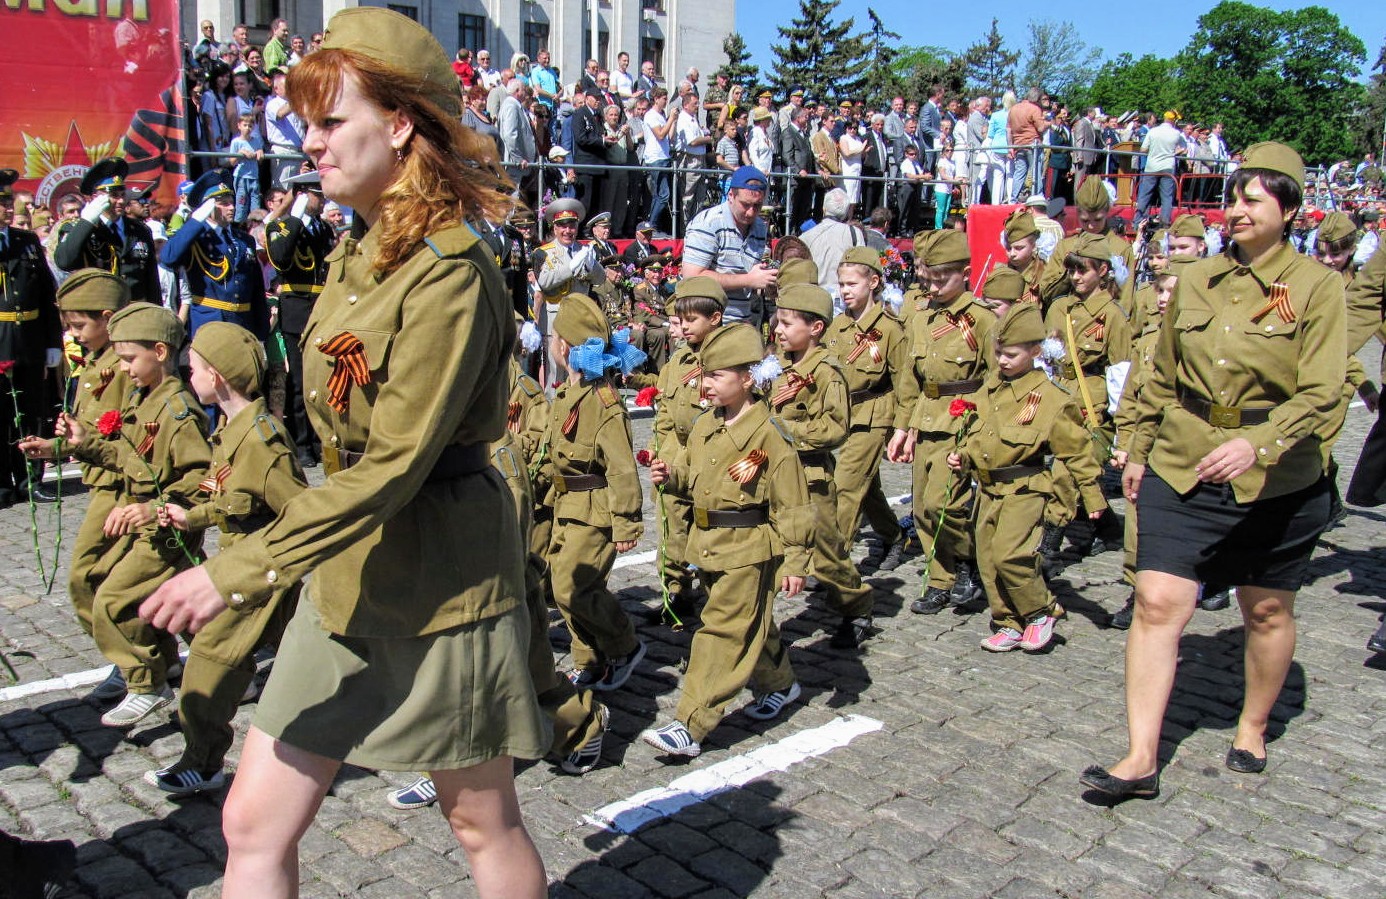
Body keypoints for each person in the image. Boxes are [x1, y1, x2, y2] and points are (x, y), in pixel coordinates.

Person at [138, 10, 551, 895]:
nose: (310, 142)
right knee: (250, 820)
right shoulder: (359, 249)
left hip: (443, 580)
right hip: (347, 573)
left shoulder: (449, 270)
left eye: (333, 122)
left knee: (480, 820)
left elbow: (394, 466)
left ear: (399, 126)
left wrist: (238, 567)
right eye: (308, 122)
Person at [1084, 142, 1344, 799]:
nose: (1235, 210)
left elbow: (1322, 391)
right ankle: (1141, 755)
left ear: (1289, 209)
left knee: (1265, 608)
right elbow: (1158, 374)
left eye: (1252, 199)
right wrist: (1138, 447)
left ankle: (1252, 726)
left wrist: (1258, 443)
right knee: (1157, 598)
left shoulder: (1318, 287)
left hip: (1278, 477)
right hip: (1183, 456)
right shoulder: (1195, 279)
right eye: (1231, 198)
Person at [145, 323, 305, 794]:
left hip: (259, 573)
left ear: (216, 377)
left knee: (208, 666)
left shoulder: (262, 442)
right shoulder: (232, 431)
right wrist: (192, 515)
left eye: (192, 368)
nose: (185, 373)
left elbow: (299, 512)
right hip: (239, 564)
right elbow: (232, 496)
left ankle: (204, 762)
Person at [643, 323, 812, 757]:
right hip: (708, 545)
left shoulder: (771, 434)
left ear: (749, 379)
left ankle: (690, 723)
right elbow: (693, 477)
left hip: (749, 548)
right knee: (750, 623)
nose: (706, 384)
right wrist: (669, 475)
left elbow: (792, 503)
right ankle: (782, 683)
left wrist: (795, 561)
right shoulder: (704, 426)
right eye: (705, 375)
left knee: (719, 632)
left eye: (718, 375)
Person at [61, 303, 210, 727]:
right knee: (178, 607)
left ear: (160, 352)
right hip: (146, 520)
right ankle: (224, 664)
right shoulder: (147, 400)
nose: (123, 368)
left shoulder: (178, 411)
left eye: (129, 358)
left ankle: (148, 684)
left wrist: (151, 508)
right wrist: (81, 443)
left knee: (112, 600)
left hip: (165, 527)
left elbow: (201, 478)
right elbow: (130, 458)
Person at [951, 301, 1105, 651]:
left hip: (1025, 488)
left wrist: (1092, 496)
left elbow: (1076, 451)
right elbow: (981, 434)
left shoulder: (1050, 399)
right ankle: (1008, 620)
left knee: (1010, 555)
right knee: (988, 559)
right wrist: (964, 456)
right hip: (989, 489)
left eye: (1011, 355)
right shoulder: (992, 388)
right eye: (999, 353)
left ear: (1035, 351)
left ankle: (1040, 610)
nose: (1002, 361)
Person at [18, 271, 130, 687]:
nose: (72, 333)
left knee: (87, 576)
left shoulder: (126, 366)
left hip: (122, 483)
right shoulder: (99, 363)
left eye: (79, 325)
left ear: (108, 316)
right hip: (103, 479)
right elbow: (89, 430)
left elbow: (127, 433)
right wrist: (55, 447)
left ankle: (135, 664)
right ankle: (152, 660)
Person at [541, 294, 647, 690]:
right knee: (561, 584)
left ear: (564, 346)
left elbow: (621, 469)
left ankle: (624, 645)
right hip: (565, 505)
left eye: (554, 337)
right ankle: (589, 658)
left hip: (595, 509)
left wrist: (627, 524)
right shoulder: (568, 393)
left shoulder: (603, 402)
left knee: (575, 587)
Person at [887, 230, 996, 613]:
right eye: (927, 279)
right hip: (926, 420)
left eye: (942, 279)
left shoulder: (981, 320)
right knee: (922, 509)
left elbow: (995, 379)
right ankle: (939, 579)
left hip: (963, 420)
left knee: (946, 503)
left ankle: (966, 562)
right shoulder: (922, 319)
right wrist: (902, 428)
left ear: (965, 273)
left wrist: (982, 430)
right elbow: (909, 379)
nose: (932, 287)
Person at [769, 282, 875, 648]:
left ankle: (856, 605)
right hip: (774, 476)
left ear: (815, 328)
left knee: (827, 556)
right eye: (777, 322)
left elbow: (836, 427)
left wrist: (783, 431)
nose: (778, 330)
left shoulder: (827, 372)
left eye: (786, 323)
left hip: (811, 477)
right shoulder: (775, 366)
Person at [824, 247, 912, 572]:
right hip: (842, 416)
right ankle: (892, 535)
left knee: (845, 486)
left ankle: (834, 564)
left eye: (851, 284)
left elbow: (905, 383)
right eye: (841, 284)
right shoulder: (837, 327)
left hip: (875, 414)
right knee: (866, 484)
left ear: (873, 282)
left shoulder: (890, 329)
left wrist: (903, 429)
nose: (845, 291)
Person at [0, 168, 62, 507]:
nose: (9, 209)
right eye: (2, 203)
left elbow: (46, 296)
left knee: (30, 411)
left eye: (10, 202)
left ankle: (29, 479)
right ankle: (1, 482)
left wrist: (53, 340)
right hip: (0, 337)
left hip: (31, 338)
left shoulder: (26, 242)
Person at [264, 169, 333, 467]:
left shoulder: (322, 228)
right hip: (298, 305)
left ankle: (321, 440)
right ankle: (303, 442)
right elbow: (280, 257)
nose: (323, 199)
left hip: (322, 305)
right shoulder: (283, 227)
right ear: (305, 195)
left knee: (325, 377)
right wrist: (296, 219)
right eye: (317, 194)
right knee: (302, 381)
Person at [159, 170, 270, 343]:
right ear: (208, 207)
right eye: (224, 203)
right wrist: (196, 221)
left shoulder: (244, 239)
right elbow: (168, 258)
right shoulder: (196, 238)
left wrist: (262, 332)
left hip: (243, 323)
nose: (232, 207)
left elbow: (256, 289)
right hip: (210, 322)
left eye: (231, 201)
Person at [53, 159, 161, 304]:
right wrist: (87, 222)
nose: (121, 201)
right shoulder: (78, 228)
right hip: (101, 311)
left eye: (122, 194)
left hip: (135, 312)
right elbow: (65, 261)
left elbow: (151, 280)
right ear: (95, 198)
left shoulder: (140, 230)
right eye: (114, 195)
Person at [681, 166, 775, 326]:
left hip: (743, 321)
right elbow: (692, 277)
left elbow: (751, 277)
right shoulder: (708, 223)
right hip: (708, 325)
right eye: (745, 204)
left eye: (757, 206)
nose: (751, 212)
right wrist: (748, 280)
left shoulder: (759, 227)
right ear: (730, 195)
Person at [1135, 112, 1187, 228]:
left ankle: (1138, 222)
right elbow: (1184, 149)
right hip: (1168, 167)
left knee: (1144, 195)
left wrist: (1154, 152)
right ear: (1174, 121)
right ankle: (1165, 224)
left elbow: (1143, 149)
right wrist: (1173, 153)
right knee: (1167, 198)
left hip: (1151, 167)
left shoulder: (1153, 131)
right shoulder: (1176, 133)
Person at [227, 113, 265, 224]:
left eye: (250, 126)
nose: (247, 128)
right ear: (239, 125)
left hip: (254, 176)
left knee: (255, 204)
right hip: (241, 177)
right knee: (241, 203)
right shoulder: (236, 142)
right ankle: (239, 226)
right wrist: (241, 153)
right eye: (245, 125)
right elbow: (232, 162)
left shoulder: (256, 141)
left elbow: (260, 159)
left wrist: (259, 152)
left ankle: (255, 226)